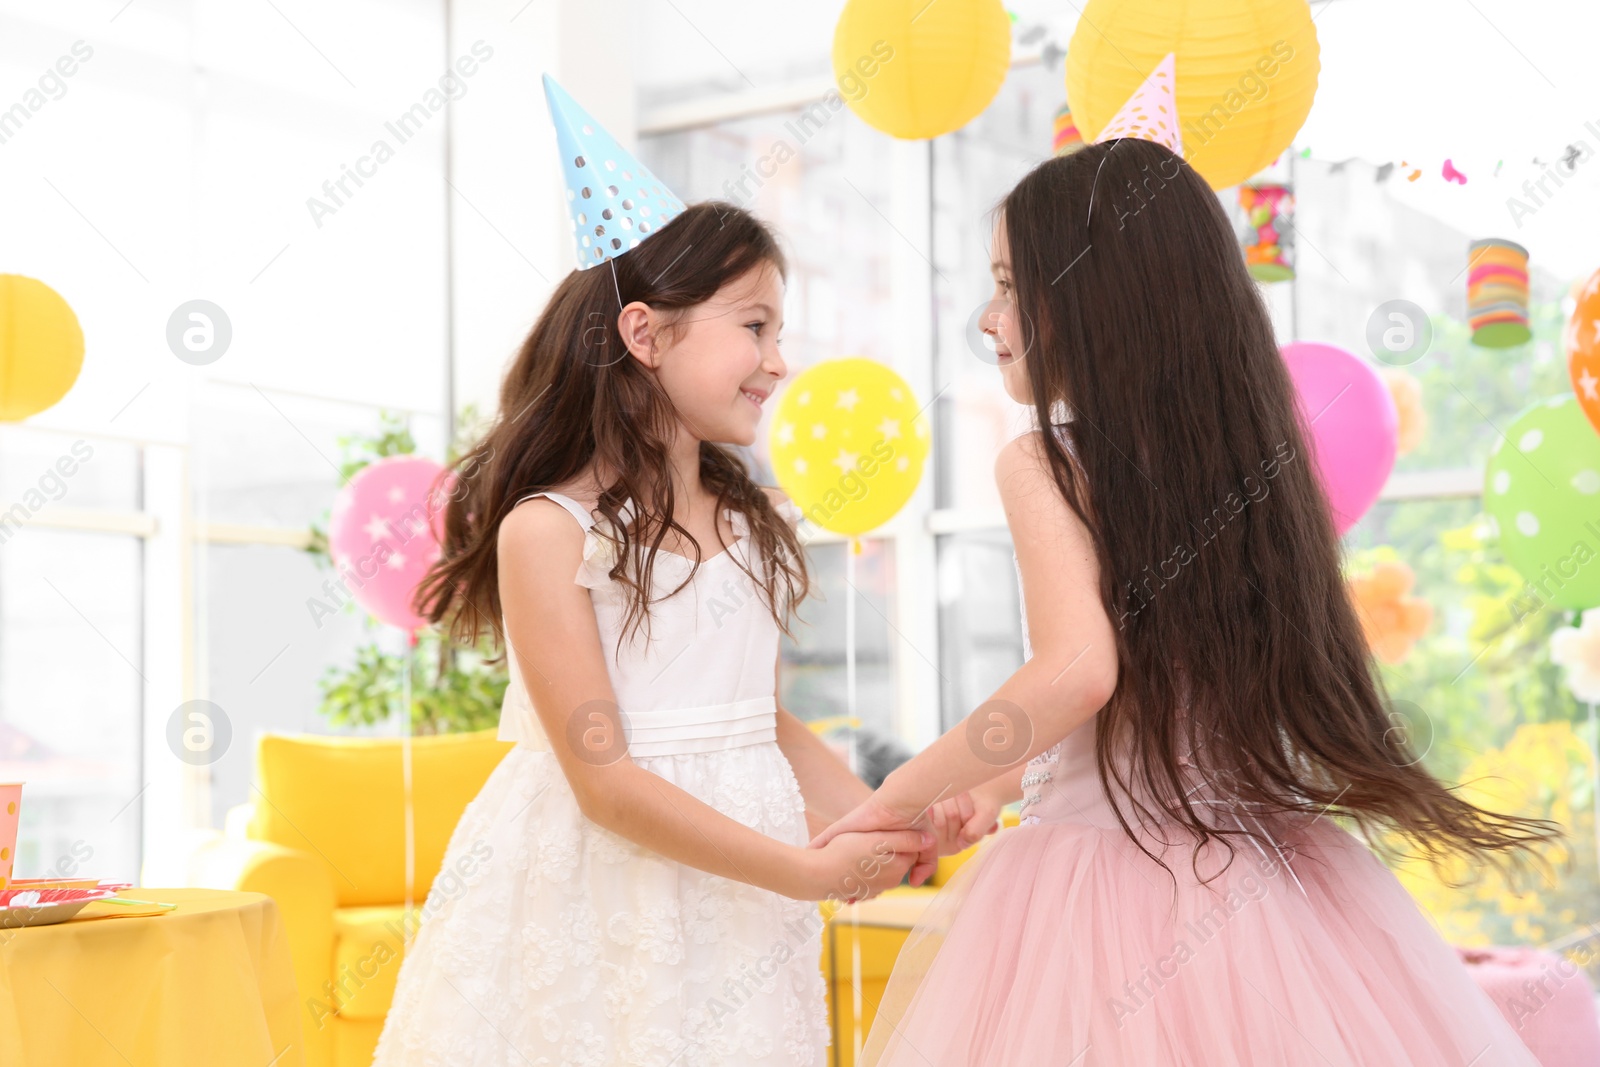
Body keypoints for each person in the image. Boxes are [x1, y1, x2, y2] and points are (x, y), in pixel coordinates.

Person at [812, 137, 1557, 1066]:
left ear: (1091, 300)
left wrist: (900, 791)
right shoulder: (1246, 475)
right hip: (1263, 879)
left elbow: (1079, 670)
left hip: (1103, 893)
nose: (987, 318)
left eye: (1008, 285)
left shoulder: (1046, 460)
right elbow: (1148, 691)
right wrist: (990, 783)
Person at [370, 77, 930, 1067]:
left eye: (778, 331)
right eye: (754, 326)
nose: (778, 359)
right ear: (644, 333)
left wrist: (883, 822)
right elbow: (606, 784)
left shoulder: (749, 523)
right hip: (596, 888)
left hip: (738, 896)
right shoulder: (550, 530)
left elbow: (764, 721)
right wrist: (804, 870)